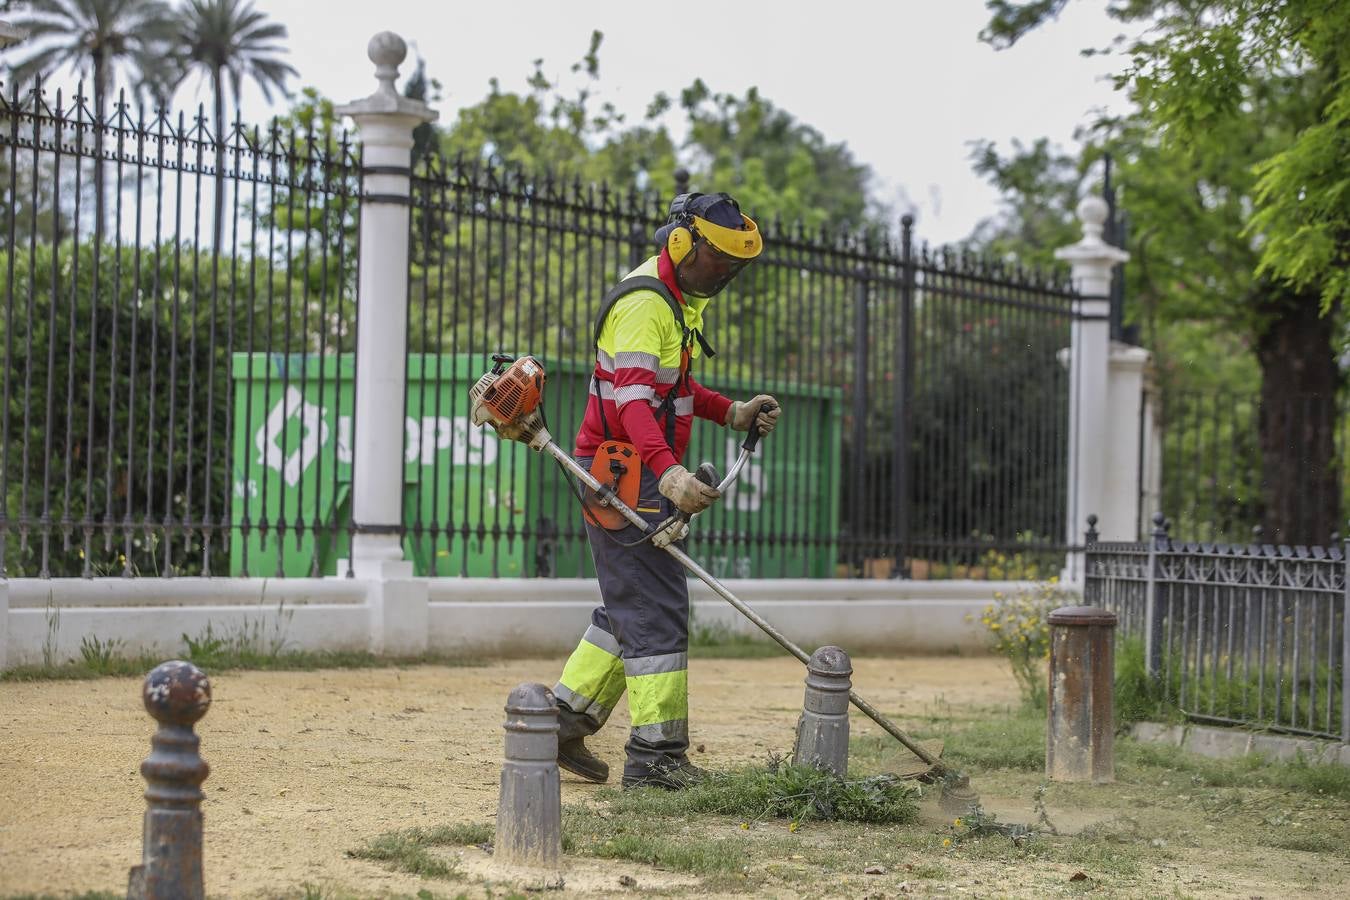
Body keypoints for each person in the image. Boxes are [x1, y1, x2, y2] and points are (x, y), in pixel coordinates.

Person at [552, 191, 781, 790]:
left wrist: (731, 412)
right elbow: (630, 403)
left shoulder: (677, 300)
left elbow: (671, 387)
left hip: (631, 464)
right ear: (682, 243)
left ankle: (563, 717)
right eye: (719, 260)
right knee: (656, 610)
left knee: (631, 598)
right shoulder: (645, 306)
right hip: (620, 469)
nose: (726, 274)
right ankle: (656, 757)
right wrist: (668, 473)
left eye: (736, 265)